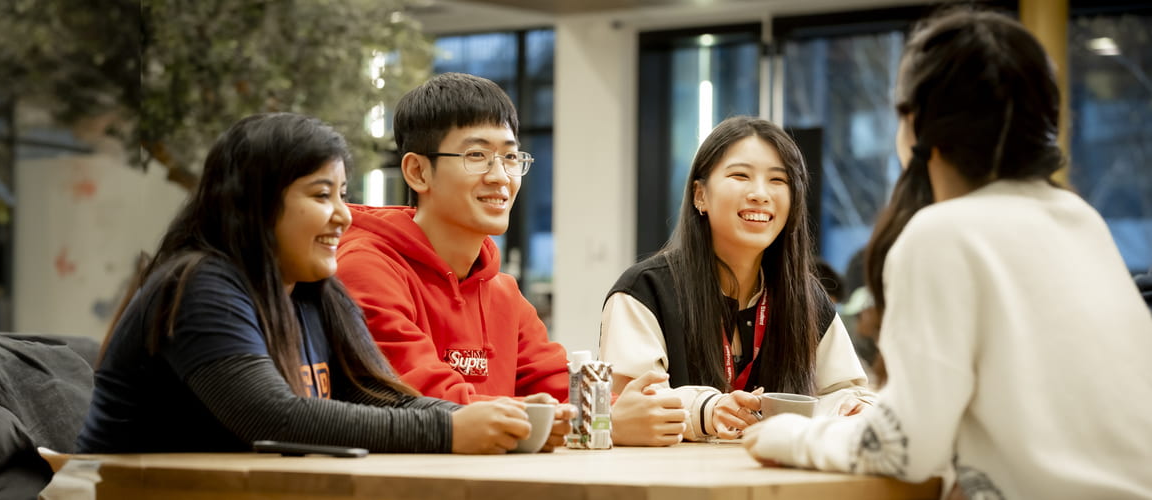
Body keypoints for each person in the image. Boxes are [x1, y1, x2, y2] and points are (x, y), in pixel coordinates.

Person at [743, 9, 1152, 498]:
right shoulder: (1079, 218)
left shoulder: (941, 233)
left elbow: (904, 448)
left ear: (915, 123)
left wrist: (790, 435)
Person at [77, 112, 553, 455]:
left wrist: (491, 422)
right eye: (321, 195)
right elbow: (270, 417)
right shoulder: (199, 285)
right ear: (254, 203)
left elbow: (373, 393)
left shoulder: (313, 290)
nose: (344, 216)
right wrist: (449, 433)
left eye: (343, 195)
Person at [336, 72, 668, 445]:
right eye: (477, 155)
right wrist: (596, 422)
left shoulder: (501, 291)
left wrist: (642, 411)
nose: (501, 177)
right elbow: (424, 401)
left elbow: (560, 387)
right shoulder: (365, 268)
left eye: (510, 157)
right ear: (417, 171)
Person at [599, 116, 875, 445]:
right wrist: (707, 410)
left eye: (778, 180)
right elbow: (635, 403)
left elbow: (846, 391)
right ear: (700, 195)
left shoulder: (807, 297)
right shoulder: (645, 291)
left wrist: (851, 409)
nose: (760, 194)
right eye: (740, 176)